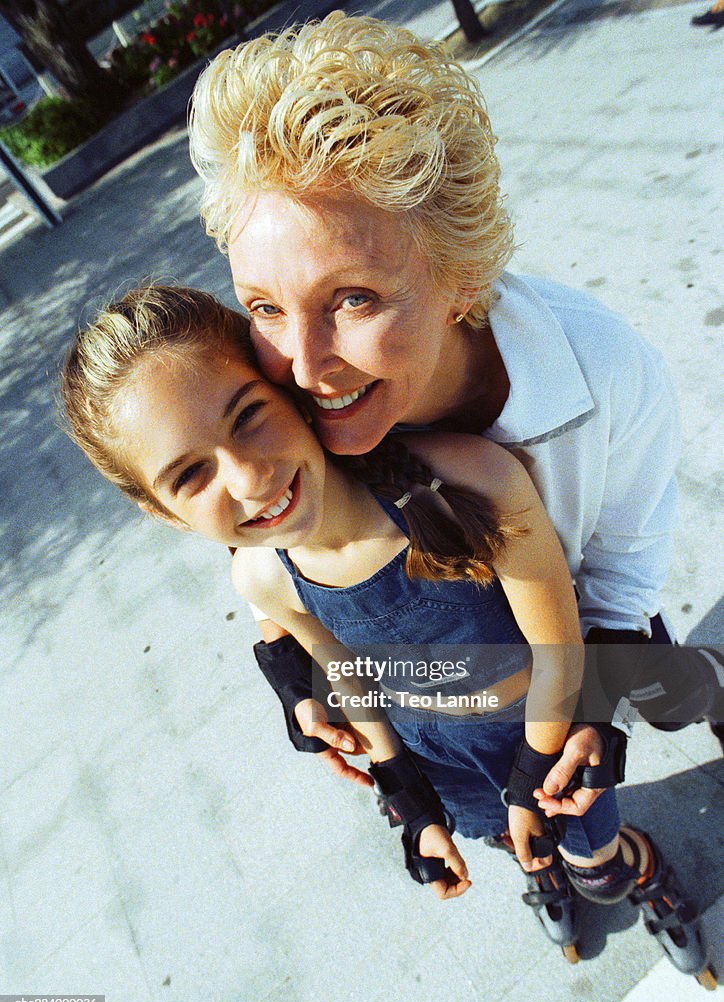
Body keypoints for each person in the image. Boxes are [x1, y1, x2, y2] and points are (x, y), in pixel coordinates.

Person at [60, 285, 715, 981]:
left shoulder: (467, 483)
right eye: (190, 475)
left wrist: (529, 782)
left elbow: (560, 653)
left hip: (547, 741)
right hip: (444, 760)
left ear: (287, 387)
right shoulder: (262, 579)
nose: (250, 479)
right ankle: (547, 867)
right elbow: (346, 674)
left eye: (248, 415)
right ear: (160, 511)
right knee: (505, 841)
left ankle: (631, 870)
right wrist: (409, 801)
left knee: (595, 864)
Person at [187, 12, 723, 798]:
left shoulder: (605, 368)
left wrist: (595, 700)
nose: (303, 365)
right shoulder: (275, 392)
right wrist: (288, 661)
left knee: (665, 697)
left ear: (463, 278)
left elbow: (625, 554)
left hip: (593, 620)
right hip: (489, 684)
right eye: (264, 305)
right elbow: (259, 530)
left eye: (354, 298)